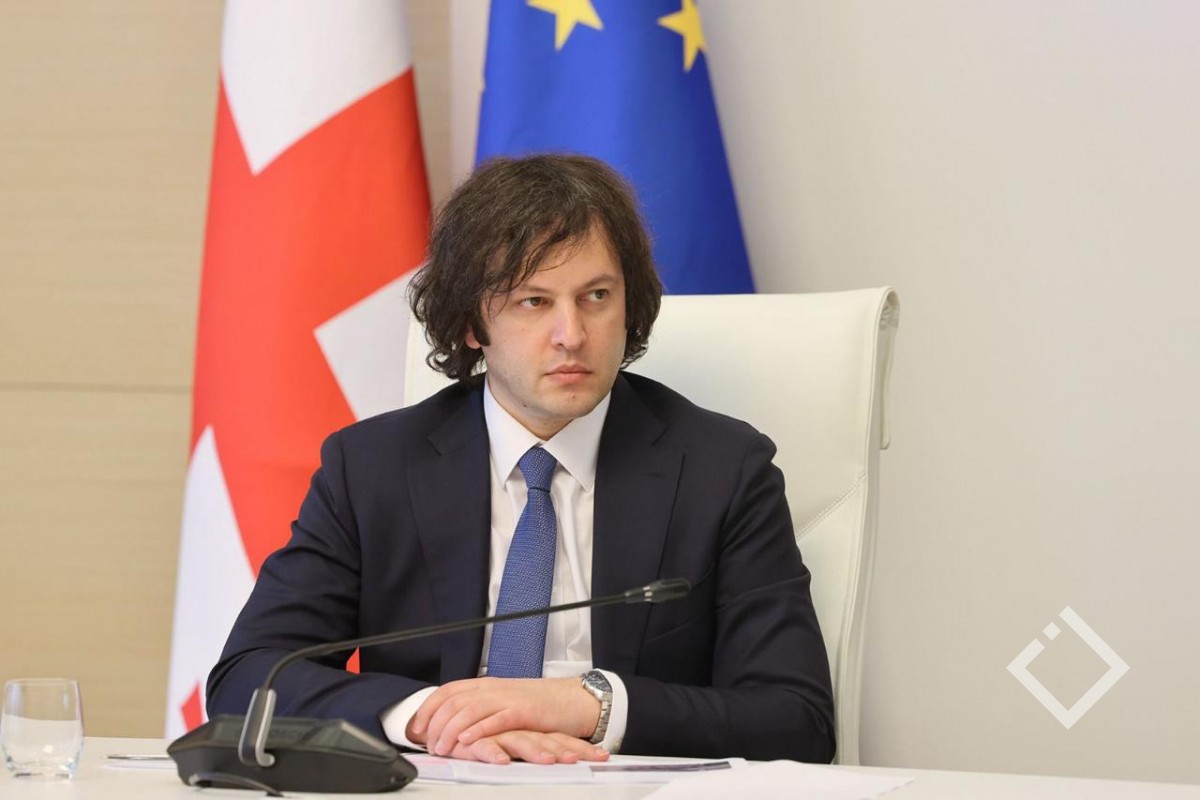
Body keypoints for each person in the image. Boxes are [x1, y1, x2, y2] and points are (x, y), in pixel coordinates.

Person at [207, 154, 835, 765]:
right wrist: (432, 717)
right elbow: (248, 678)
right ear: (472, 325)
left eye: (596, 296)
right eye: (533, 302)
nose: (572, 335)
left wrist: (591, 706)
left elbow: (797, 720)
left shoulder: (722, 469)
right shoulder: (372, 468)